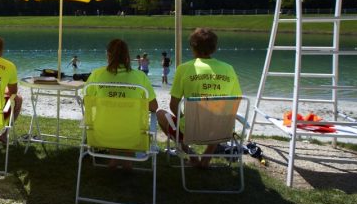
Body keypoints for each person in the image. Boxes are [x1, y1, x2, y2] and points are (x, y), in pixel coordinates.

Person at [157, 28, 241, 168]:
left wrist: (184, 118)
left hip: (190, 131)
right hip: (219, 131)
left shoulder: (184, 68)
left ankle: (191, 154)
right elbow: (235, 101)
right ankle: (206, 158)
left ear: (193, 46)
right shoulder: (229, 69)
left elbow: (173, 105)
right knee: (219, 116)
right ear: (214, 47)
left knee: (160, 113)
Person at [84, 39, 158, 168]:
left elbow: (87, 102)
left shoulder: (97, 75)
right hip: (133, 134)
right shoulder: (140, 76)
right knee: (126, 120)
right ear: (127, 56)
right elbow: (153, 106)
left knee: (111, 116)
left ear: (108, 55)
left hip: (102, 133)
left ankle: (114, 159)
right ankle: (128, 160)